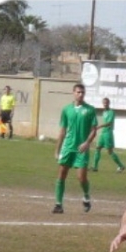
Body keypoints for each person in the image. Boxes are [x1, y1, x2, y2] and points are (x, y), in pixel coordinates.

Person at [52, 83, 98, 214]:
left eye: (82, 92)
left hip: (81, 149)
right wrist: (57, 150)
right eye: (78, 92)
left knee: (81, 178)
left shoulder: (90, 110)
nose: (80, 94)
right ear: (73, 93)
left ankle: (86, 196)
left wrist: (87, 143)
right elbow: (62, 131)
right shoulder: (67, 110)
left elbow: (94, 130)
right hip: (67, 147)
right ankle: (58, 204)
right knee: (61, 175)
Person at [91, 97, 126, 173]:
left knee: (110, 151)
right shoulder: (104, 112)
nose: (105, 104)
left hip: (108, 133)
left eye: (106, 103)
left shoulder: (111, 112)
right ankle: (95, 167)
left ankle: (121, 166)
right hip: (103, 133)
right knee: (98, 148)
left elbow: (109, 123)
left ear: (109, 103)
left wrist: (99, 126)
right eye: (104, 103)